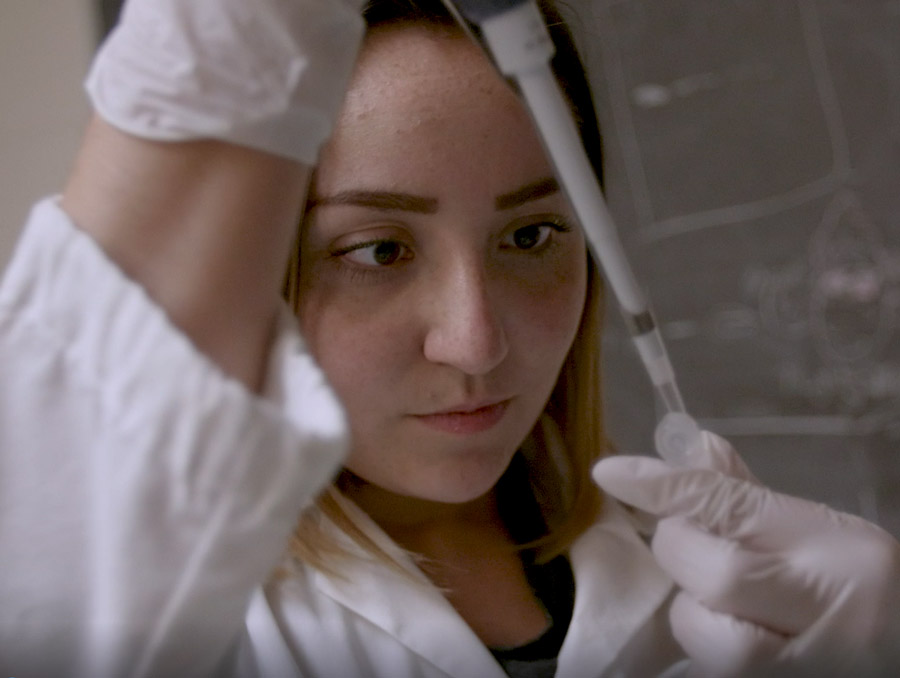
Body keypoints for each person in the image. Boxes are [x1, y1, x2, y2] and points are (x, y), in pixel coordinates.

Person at [0, 0, 897, 676]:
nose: (474, 344)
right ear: (266, 271)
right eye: (378, 250)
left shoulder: (708, 610)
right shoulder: (170, 615)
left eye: (531, 237)